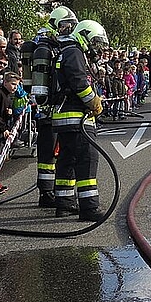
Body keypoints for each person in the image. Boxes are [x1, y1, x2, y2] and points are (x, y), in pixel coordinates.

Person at [51, 20, 107, 221]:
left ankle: (64, 203)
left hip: (64, 117)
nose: (95, 48)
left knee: (68, 159)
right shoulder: (74, 52)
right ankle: (89, 207)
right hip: (77, 117)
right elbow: (79, 82)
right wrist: (93, 102)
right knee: (87, 159)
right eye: (94, 42)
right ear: (84, 35)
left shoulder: (67, 51)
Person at [26, 6, 78, 208]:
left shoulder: (50, 46)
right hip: (48, 109)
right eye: (66, 25)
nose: (69, 29)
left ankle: (49, 192)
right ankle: (46, 193)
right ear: (57, 25)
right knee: (48, 153)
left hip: (50, 108)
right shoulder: (47, 48)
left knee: (52, 152)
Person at [0, 72, 20, 167]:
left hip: (2, 128)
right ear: (5, 82)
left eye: (17, 85)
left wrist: (9, 114)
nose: (15, 87)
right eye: (13, 84)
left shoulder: (9, 95)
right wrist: (3, 128)